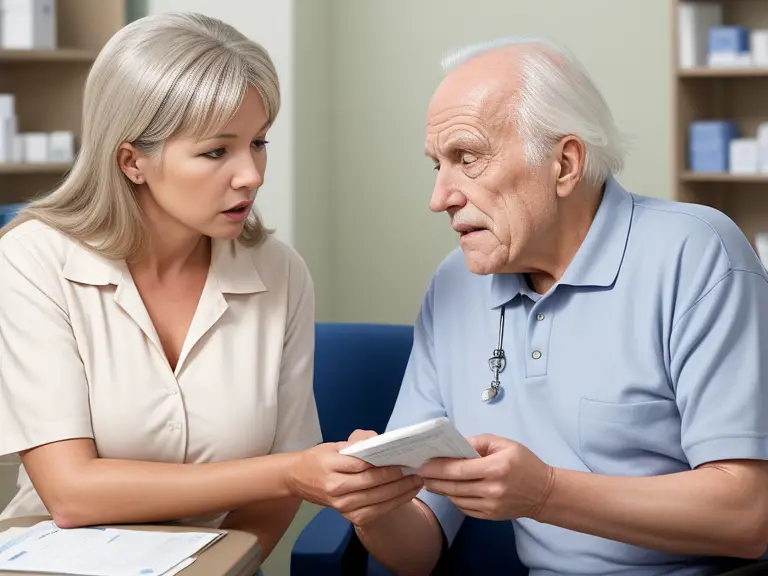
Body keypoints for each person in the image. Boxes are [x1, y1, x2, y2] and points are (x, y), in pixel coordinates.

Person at [312, 38, 768, 575]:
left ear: (565, 163)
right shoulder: (455, 283)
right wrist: (377, 506)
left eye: (466, 158)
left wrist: (546, 493)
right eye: (437, 165)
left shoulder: (697, 252)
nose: (440, 197)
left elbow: (747, 515)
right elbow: (418, 551)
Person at [0, 12, 421, 562]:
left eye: (259, 143)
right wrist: (289, 472)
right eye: (217, 151)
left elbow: (273, 501)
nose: (251, 174)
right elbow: (71, 492)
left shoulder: (280, 273)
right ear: (133, 161)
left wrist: (223, 566)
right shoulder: (32, 259)